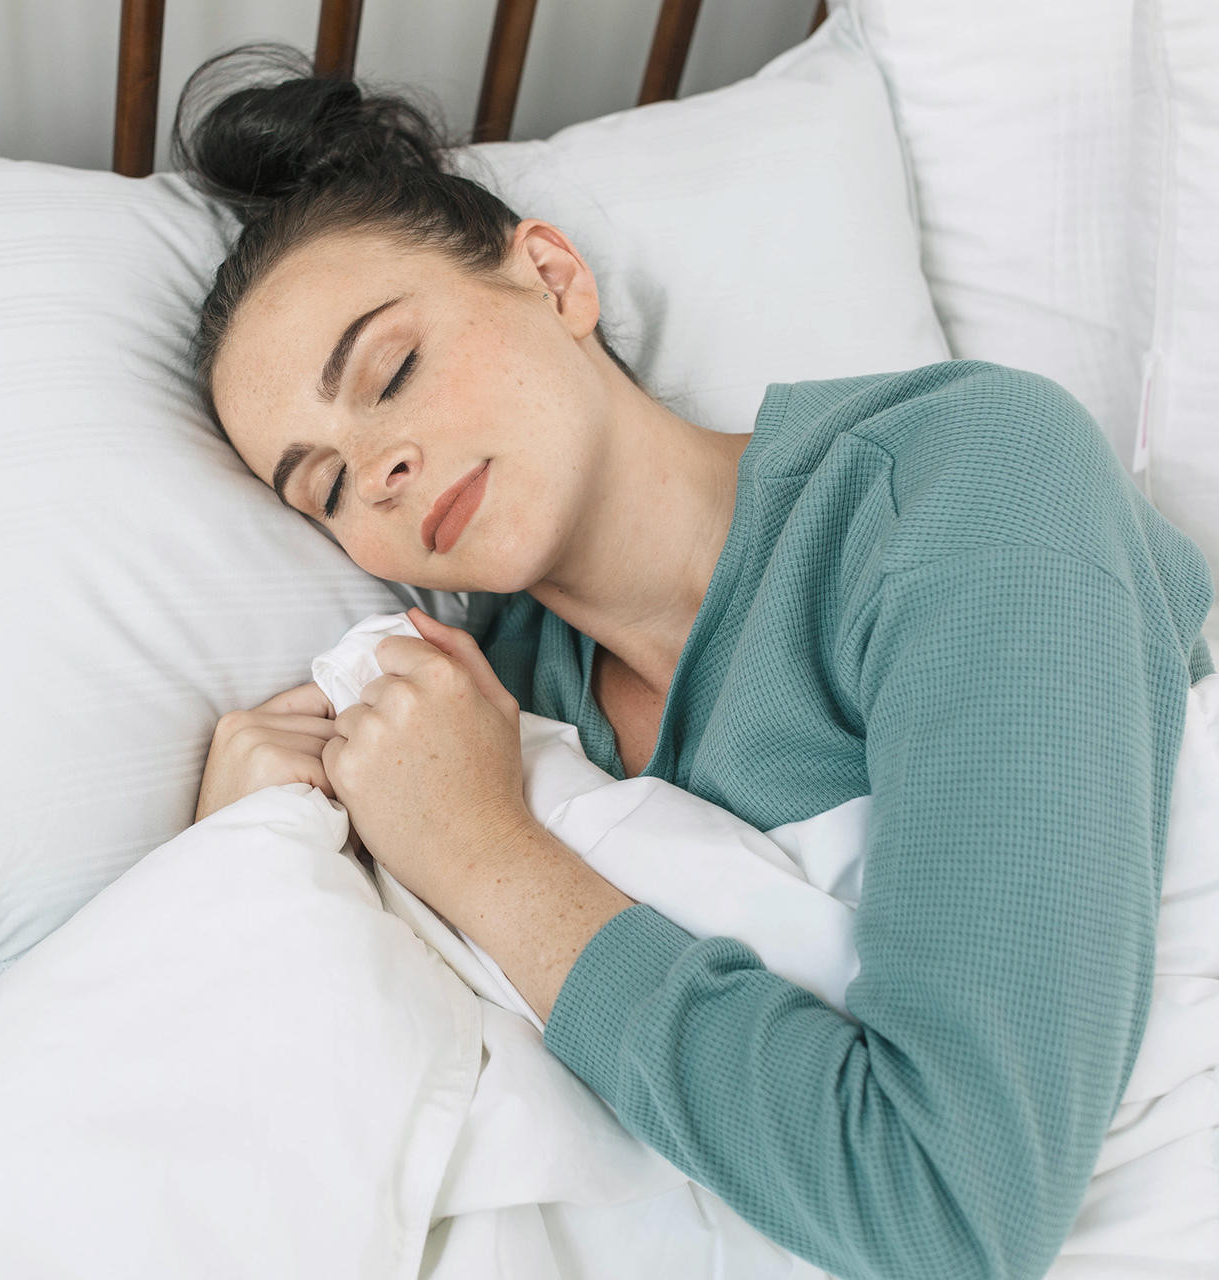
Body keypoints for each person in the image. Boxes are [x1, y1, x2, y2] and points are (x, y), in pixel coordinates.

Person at [177, 46, 1215, 1280]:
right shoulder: (475, 712)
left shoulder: (961, 479)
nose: (380, 467)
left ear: (553, 278)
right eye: (325, 483)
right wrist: (239, 874)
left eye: (391, 368)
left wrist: (490, 856)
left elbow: (955, 1206)